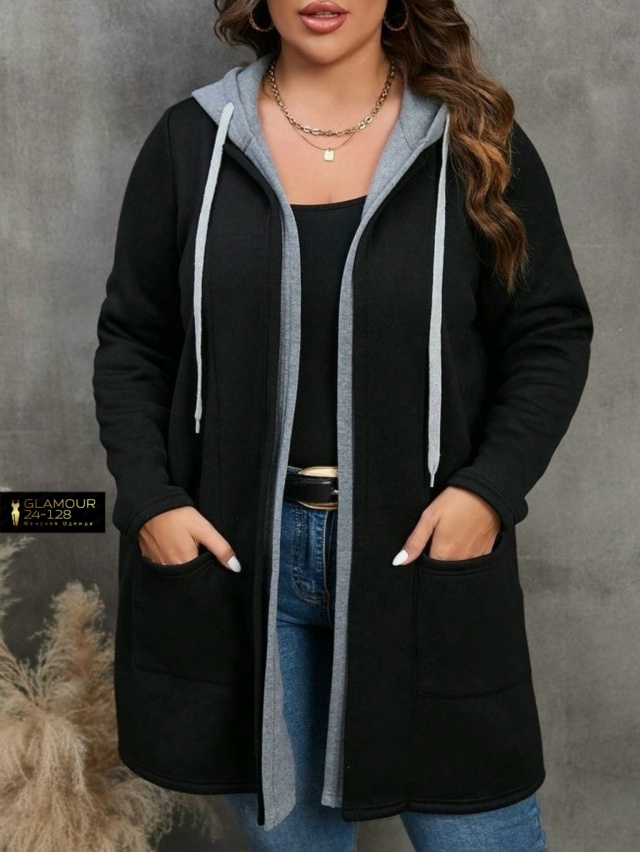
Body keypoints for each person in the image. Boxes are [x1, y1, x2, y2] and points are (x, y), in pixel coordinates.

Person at [92, 1, 593, 850]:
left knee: (484, 831)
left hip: (421, 554)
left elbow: (550, 334)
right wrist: (151, 502)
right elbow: (134, 340)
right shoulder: (191, 142)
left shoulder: (474, 144)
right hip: (241, 562)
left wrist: (487, 492)